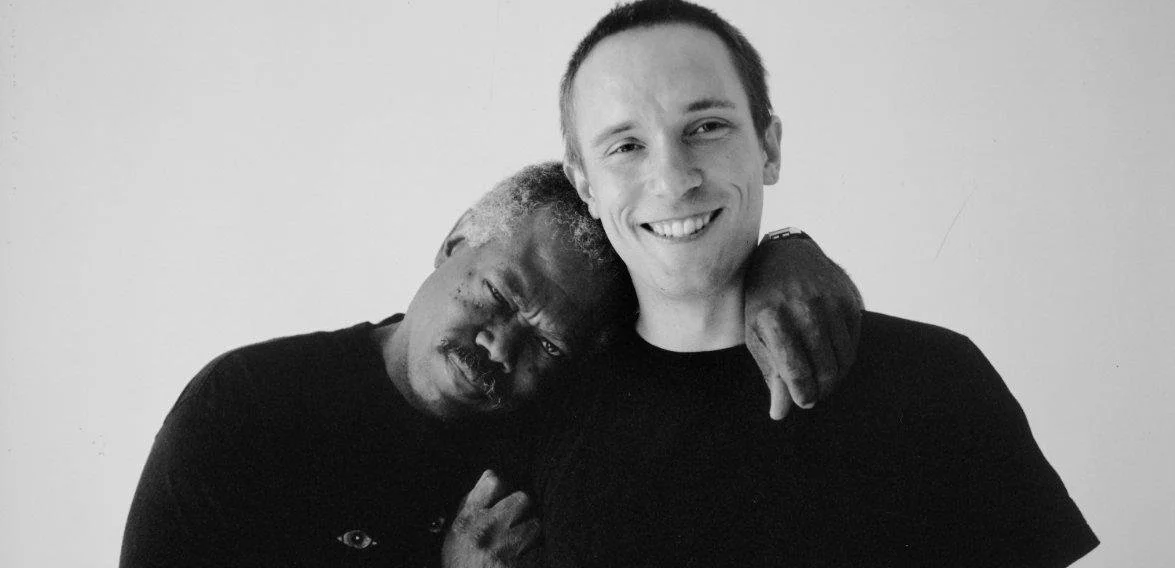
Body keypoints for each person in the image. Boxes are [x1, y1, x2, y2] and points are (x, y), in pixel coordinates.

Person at [535, 0, 1100, 567]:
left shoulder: (936, 380)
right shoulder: (539, 409)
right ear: (586, 186)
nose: (674, 180)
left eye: (706, 127)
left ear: (769, 148)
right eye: (626, 146)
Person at [119, 162, 861, 567]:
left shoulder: (557, 420)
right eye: (501, 296)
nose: (502, 348)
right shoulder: (250, 406)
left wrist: (781, 255)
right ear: (453, 244)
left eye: (548, 345)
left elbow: (696, 327)